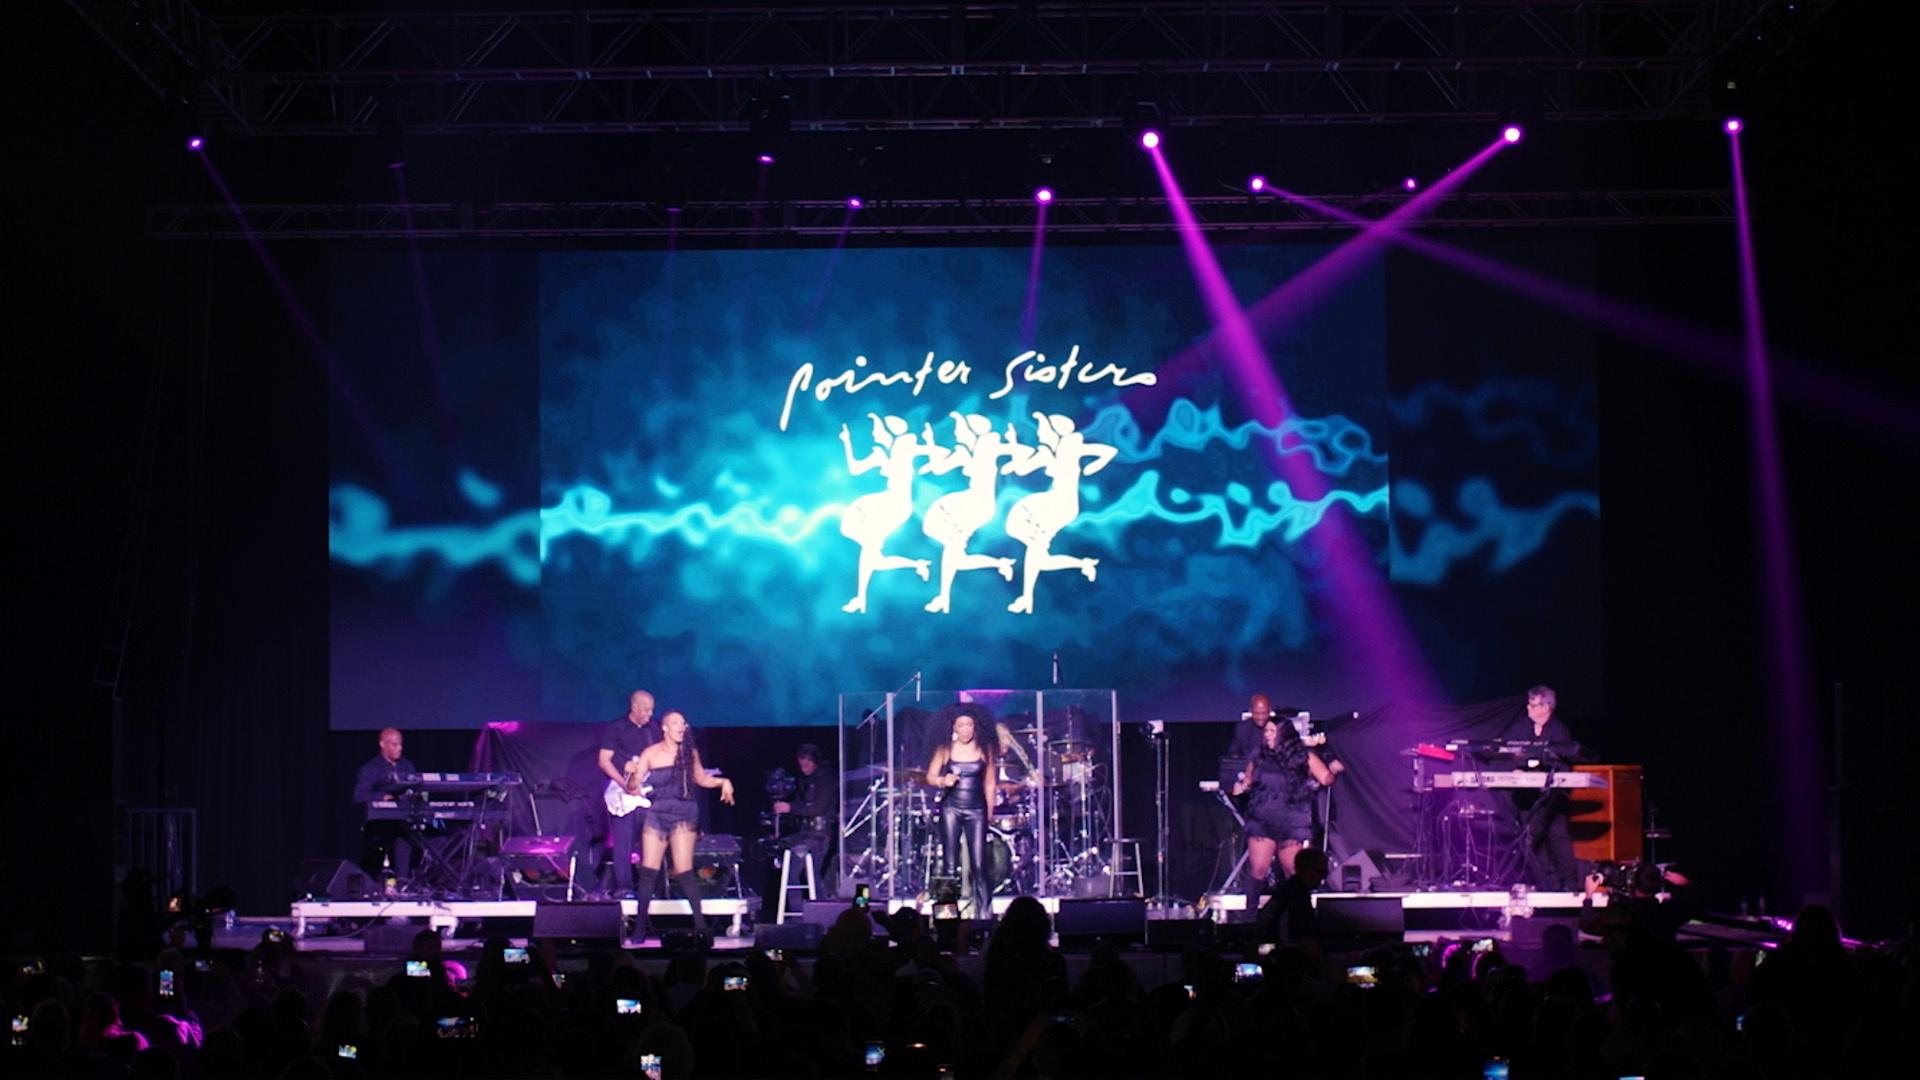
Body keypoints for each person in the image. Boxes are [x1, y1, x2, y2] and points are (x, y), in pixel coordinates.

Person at [626, 710, 735, 941]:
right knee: (648, 871)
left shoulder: (689, 753)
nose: (681, 727)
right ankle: (639, 928)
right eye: (675, 723)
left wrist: (723, 781)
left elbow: (701, 779)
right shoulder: (650, 753)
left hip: (683, 813)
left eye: (683, 723)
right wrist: (631, 774)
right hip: (657, 813)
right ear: (665, 728)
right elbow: (633, 788)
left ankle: (701, 927)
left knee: (684, 870)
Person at [1231, 713, 1336, 918]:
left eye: (1272, 731)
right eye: (1266, 731)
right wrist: (1240, 786)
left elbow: (1325, 778)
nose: (1267, 735)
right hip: (1262, 819)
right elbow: (1248, 781)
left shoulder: (1303, 757)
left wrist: (1333, 768)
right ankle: (1249, 919)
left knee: (1293, 874)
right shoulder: (1259, 756)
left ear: (1284, 734)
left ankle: (1298, 918)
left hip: (1292, 821)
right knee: (1258, 869)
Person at [1501, 685, 1581, 888]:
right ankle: (1544, 883)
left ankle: (1570, 885)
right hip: (1527, 797)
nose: (1528, 708)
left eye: (1533, 705)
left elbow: (1561, 762)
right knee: (1531, 839)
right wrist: (1520, 767)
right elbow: (1508, 751)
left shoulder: (1559, 730)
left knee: (1558, 836)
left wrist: (1533, 765)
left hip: (1553, 796)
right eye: (1529, 704)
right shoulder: (1520, 727)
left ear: (1545, 707)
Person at [924, 712, 997, 915]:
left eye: (969, 725)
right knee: (949, 864)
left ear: (975, 727)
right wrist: (942, 780)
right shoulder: (945, 749)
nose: (965, 729)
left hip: (977, 809)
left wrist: (990, 812)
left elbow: (990, 783)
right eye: (961, 725)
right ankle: (946, 917)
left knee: (979, 864)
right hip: (951, 809)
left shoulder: (985, 749)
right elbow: (930, 776)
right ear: (954, 728)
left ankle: (984, 915)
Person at [597, 689, 662, 897]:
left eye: (651, 710)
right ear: (634, 707)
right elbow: (604, 760)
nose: (649, 714)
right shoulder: (617, 727)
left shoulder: (654, 729)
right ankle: (624, 887)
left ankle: (650, 888)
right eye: (646, 710)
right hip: (623, 793)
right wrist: (624, 784)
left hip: (647, 793)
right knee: (623, 843)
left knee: (650, 843)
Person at [351, 728, 418, 885]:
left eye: (400, 744)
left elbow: (415, 788)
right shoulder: (371, 768)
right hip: (381, 823)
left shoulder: (407, 766)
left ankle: (409, 883)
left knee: (432, 836)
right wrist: (382, 798)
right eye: (395, 744)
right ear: (383, 744)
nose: (399, 748)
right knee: (400, 837)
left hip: (406, 819)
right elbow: (358, 796)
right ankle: (396, 883)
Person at [771, 743, 836, 865]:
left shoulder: (826, 779)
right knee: (783, 850)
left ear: (815, 761)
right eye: (801, 766)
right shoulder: (805, 780)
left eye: (806, 765)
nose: (803, 769)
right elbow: (800, 804)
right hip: (805, 831)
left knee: (809, 870)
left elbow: (819, 808)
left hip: (819, 834)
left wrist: (790, 807)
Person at [1225, 694, 1277, 760]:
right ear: (1251, 711)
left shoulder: (1279, 726)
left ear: (1269, 711)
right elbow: (1233, 754)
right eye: (1256, 713)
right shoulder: (1242, 729)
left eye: (1264, 713)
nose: (1260, 717)